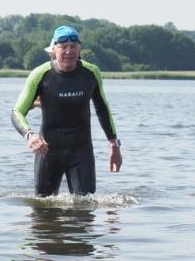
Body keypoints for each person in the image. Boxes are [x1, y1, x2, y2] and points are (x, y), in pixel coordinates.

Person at [11, 25, 122, 196]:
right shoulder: (40, 75)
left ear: (79, 49)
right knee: (42, 212)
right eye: (63, 47)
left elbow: (102, 109)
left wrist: (114, 145)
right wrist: (29, 135)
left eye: (73, 47)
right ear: (54, 50)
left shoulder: (91, 73)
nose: (69, 51)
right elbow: (17, 111)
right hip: (48, 152)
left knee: (85, 209)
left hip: (81, 151)